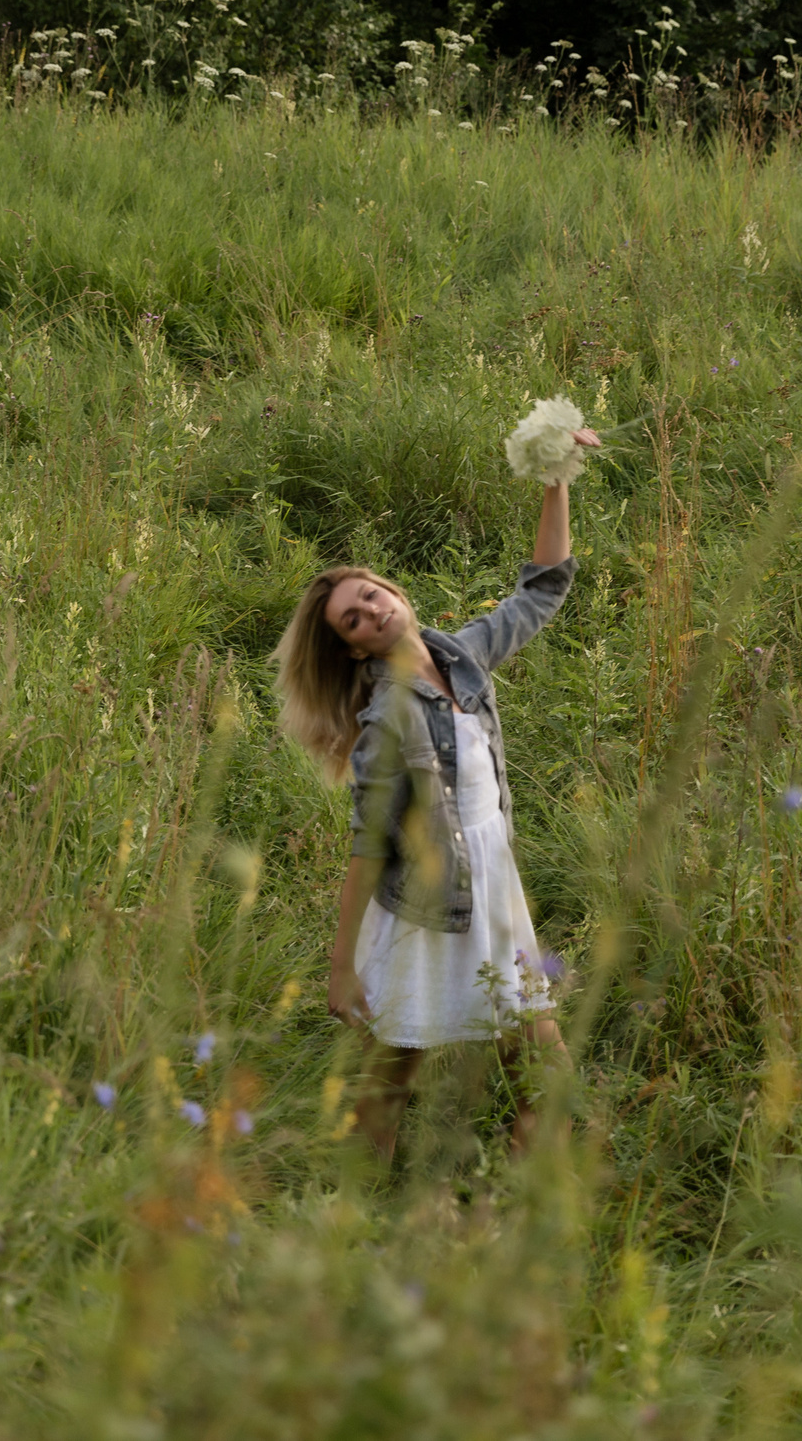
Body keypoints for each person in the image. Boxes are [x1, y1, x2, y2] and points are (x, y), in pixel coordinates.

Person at [271, 427, 600, 1168]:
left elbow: (542, 587)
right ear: (355, 649)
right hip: (427, 898)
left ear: (396, 591)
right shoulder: (383, 719)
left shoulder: (462, 653)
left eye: (371, 595)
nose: (371, 613)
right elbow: (367, 844)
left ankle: (526, 1176)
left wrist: (556, 479)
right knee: (397, 1063)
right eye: (353, 619)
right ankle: (356, 1195)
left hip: (493, 884)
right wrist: (340, 965)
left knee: (536, 1045)